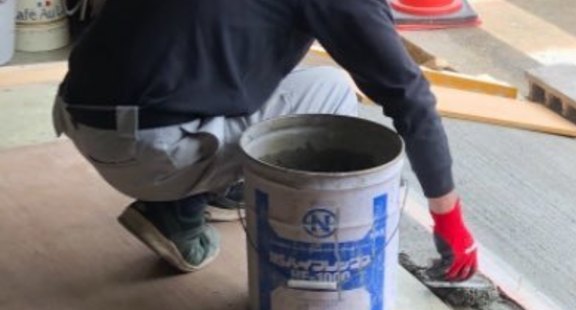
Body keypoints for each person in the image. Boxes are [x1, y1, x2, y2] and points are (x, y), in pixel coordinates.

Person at [52, 0, 478, 280]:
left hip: (79, 110)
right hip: (145, 149)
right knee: (331, 90)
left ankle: (198, 186)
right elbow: (408, 97)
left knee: (257, 54)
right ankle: (179, 209)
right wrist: (449, 220)